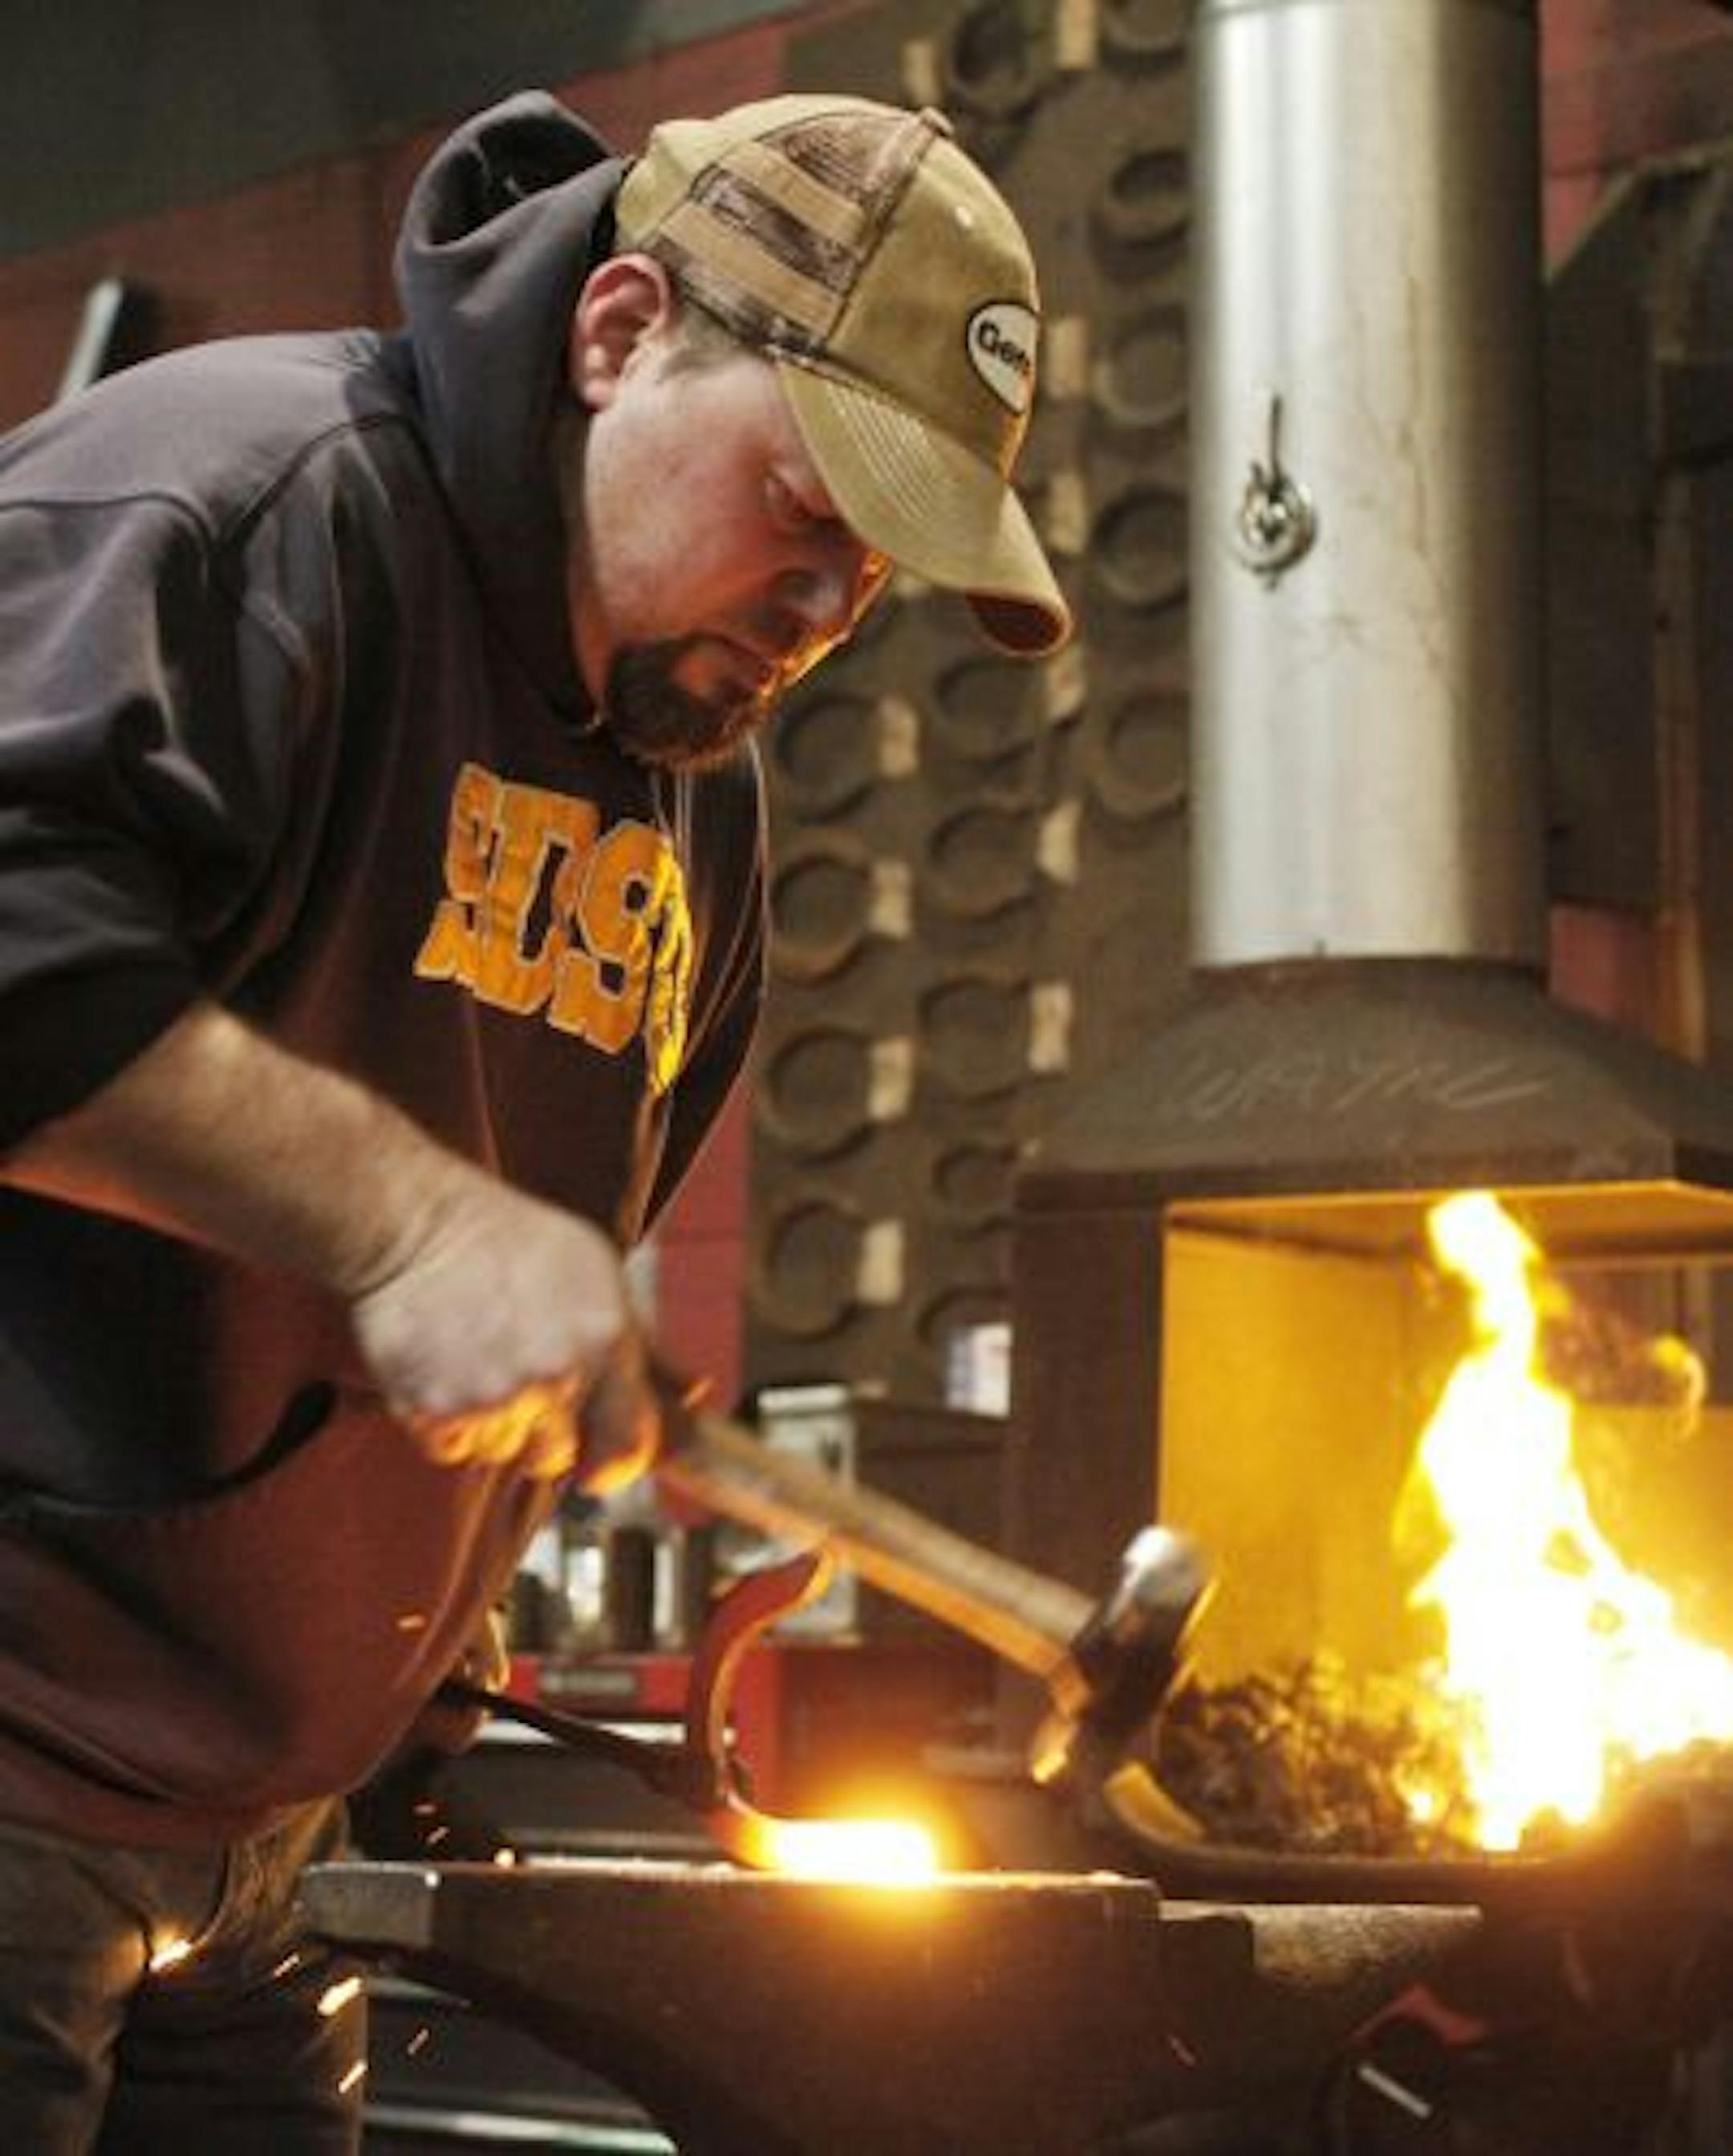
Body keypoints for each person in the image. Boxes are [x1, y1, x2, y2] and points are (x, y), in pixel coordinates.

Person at [0, 86, 1069, 2150]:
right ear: (618, 332)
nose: (823, 607)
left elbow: (502, 1294)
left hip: (270, 1850)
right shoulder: (244, 508)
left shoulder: (701, 792)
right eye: (806, 502)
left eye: (876, 573)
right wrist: (409, 1227)